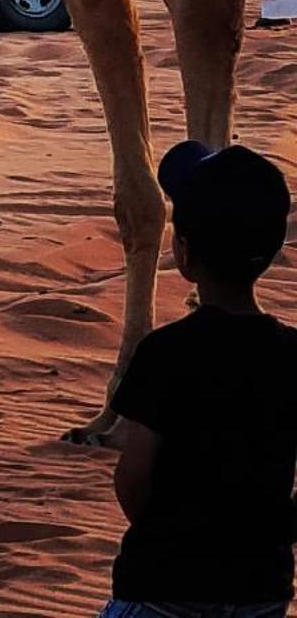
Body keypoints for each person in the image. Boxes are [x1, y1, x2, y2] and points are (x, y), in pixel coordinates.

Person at [100, 140, 297, 618]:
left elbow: (132, 477)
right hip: (261, 589)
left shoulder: (163, 354)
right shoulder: (292, 355)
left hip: (162, 584)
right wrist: (271, 530)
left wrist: (171, 535)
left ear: (184, 255)